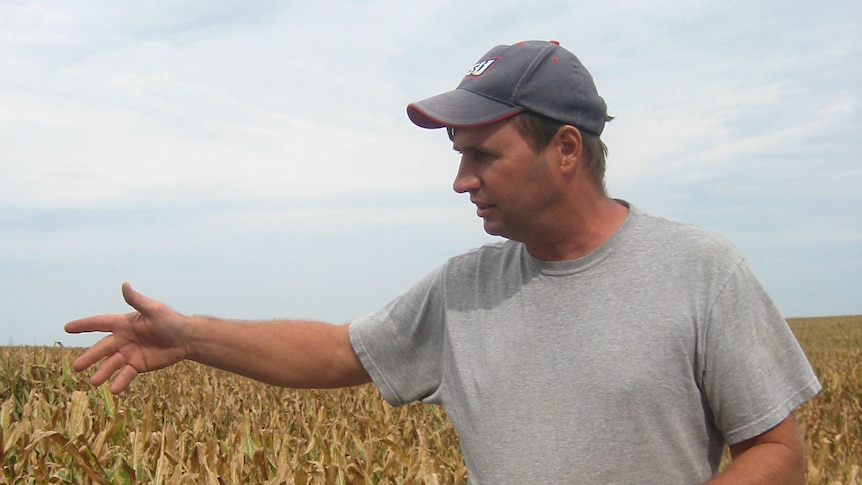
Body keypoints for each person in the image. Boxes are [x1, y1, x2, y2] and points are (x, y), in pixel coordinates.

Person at [66, 40, 821, 484]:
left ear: (565, 149)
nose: (461, 181)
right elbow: (338, 350)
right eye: (458, 157)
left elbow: (777, 449)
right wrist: (191, 336)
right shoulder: (466, 288)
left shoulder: (699, 269)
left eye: (481, 156)